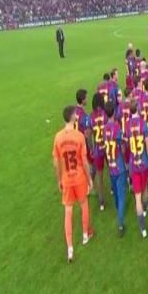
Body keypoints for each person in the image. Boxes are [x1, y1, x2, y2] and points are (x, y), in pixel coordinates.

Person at [52, 105, 94, 262]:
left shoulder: (58, 137)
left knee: (68, 211)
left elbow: (56, 163)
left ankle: (70, 248)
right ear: (73, 117)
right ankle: (85, 234)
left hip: (67, 179)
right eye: (76, 114)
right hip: (79, 178)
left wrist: (59, 179)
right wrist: (89, 179)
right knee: (84, 205)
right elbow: (84, 161)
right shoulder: (79, 136)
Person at [124, 99, 148, 238]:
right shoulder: (143, 123)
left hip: (134, 164)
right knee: (145, 188)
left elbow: (128, 145)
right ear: (138, 109)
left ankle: (142, 228)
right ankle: (145, 209)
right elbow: (147, 144)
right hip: (144, 162)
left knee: (137, 196)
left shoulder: (127, 125)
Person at [103, 102, 127, 237]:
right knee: (121, 195)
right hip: (119, 166)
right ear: (114, 112)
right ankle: (120, 224)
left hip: (111, 166)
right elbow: (122, 146)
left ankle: (118, 211)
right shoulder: (117, 128)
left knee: (116, 194)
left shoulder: (104, 129)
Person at [90, 93, 107, 212]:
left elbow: (88, 134)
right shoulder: (105, 114)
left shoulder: (90, 117)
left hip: (97, 149)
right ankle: (114, 191)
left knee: (100, 177)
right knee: (112, 170)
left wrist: (91, 148)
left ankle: (101, 202)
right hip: (107, 147)